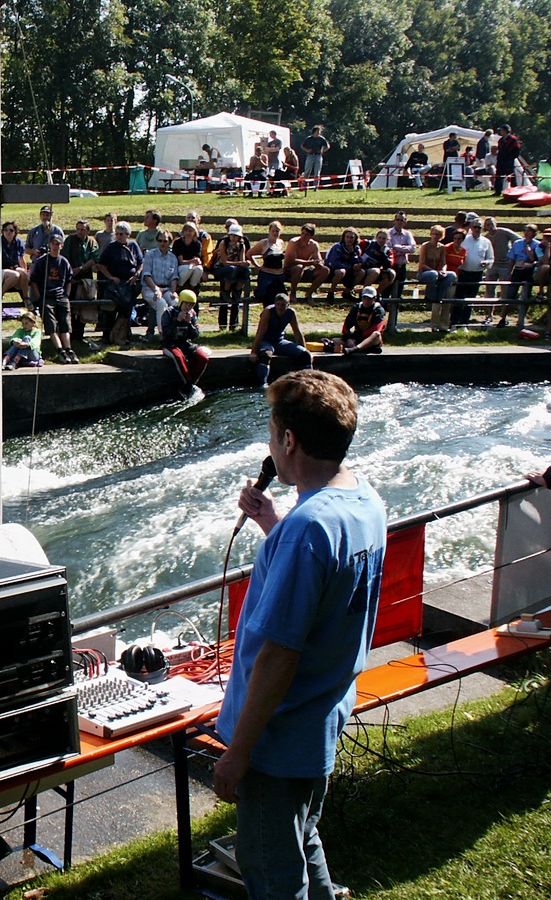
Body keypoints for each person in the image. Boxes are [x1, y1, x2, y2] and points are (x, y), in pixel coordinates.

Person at [213, 369, 385, 900]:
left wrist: (237, 752)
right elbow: (327, 584)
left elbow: (279, 655)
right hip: (322, 717)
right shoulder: (363, 500)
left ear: (288, 440)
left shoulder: (306, 529)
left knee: (268, 867)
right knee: (300, 834)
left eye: (271, 430)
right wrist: (273, 524)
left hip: (276, 737)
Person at [28, 234, 77, 363]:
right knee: (51, 324)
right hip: (46, 297)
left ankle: (69, 349)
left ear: (61, 246)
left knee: (65, 322)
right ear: (50, 245)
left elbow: (69, 280)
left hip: (60, 296)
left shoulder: (64, 262)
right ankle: (60, 350)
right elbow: (34, 281)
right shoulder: (42, 261)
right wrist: (39, 297)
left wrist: (66, 295)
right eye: (53, 243)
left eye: (58, 244)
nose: (55, 246)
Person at [250, 293, 311, 387]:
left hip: (279, 341)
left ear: (288, 305)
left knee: (305, 355)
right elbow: (260, 332)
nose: (280, 307)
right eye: (278, 304)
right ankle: (262, 385)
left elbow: (297, 332)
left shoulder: (291, 313)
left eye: (283, 305)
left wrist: (305, 350)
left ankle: (307, 381)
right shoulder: (268, 311)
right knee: (265, 356)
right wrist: (253, 351)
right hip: (266, 341)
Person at [96, 221, 142, 344]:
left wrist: (136, 275)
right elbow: (101, 264)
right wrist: (111, 277)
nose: (119, 236)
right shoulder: (111, 247)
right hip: (115, 283)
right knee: (110, 310)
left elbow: (140, 263)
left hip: (130, 282)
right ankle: (107, 336)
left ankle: (123, 335)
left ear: (127, 234)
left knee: (126, 310)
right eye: (117, 233)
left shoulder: (133, 246)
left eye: (121, 234)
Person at [160, 290, 208, 394]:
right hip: (170, 343)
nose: (187, 307)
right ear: (180, 302)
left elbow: (195, 335)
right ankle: (188, 383)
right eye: (186, 303)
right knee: (178, 357)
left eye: (190, 304)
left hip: (184, 343)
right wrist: (177, 321)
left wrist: (189, 323)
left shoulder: (192, 314)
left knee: (203, 357)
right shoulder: (169, 312)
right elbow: (166, 333)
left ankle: (192, 383)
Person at [141, 230, 179, 338]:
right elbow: (146, 275)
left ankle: (174, 332)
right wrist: (155, 289)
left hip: (166, 288)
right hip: (149, 288)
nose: (162, 243)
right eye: (160, 240)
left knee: (174, 302)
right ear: (157, 241)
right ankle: (163, 334)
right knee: (161, 303)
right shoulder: (150, 255)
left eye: (165, 241)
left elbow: (174, 277)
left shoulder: (173, 258)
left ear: (169, 242)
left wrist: (173, 291)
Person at [214, 224, 251, 330]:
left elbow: (242, 260)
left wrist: (244, 264)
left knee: (246, 270)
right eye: (232, 235)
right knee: (232, 270)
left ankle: (237, 290)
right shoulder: (223, 243)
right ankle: (226, 292)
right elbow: (225, 262)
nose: (234, 238)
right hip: (222, 268)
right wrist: (241, 263)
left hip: (235, 268)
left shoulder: (242, 245)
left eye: (236, 236)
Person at [285, 224, 330, 302]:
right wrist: (310, 263)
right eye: (302, 233)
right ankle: (293, 293)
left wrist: (318, 263)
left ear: (311, 236)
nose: (303, 236)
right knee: (298, 267)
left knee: (325, 270)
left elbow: (318, 259)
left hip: (305, 269)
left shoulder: (314, 245)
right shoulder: (293, 242)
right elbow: (291, 261)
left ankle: (309, 293)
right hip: (290, 270)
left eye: (306, 235)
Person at [250, 221, 287, 304]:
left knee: (281, 300)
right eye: (273, 231)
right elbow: (249, 254)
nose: (275, 233)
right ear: (269, 231)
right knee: (268, 300)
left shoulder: (281, 242)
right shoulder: (264, 243)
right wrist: (257, 265)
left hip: (279, 276)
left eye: (277, 231)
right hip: (267, 276)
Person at [341, 286, 386, 354]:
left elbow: (376, 328)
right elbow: (346, 326)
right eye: (364, 298)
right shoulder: (356, 308)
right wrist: (348, 339)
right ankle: (366, 349)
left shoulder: (379, 310)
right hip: (357, 336)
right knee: (335, 341)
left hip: (371, 338)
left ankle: (355, 349)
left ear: (375, 298)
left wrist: (360, 338)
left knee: (376, 334)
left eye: (369, 299)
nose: (366, 301)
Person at [325, 228, 364, 301]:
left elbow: (359, 261)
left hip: (348, 270)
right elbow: (335, 263)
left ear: (355, 238)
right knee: (341, 272)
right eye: (347, 237)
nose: (349, 239)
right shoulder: (337, 247)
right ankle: (331, 292)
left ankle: (347, 291)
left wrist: (353, 254)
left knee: (361, 272)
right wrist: (350, 267)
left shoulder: (356, 248)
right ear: (344, 237)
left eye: (352, 237)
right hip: (333, 269)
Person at [386, 212, 417, 300]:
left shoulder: (408, 234)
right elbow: (389, 251)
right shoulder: (388, 233)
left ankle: (395, 312)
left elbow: (413, 248)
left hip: (402, 267)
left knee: (398, 294)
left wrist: (396, 247)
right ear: (394, 221)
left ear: (405, 222)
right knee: (386, 292)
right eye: (397, 219)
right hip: (391, 266)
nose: (399, 222)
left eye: (402, 220)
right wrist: (403, 250)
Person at [360, 230, 397, 296]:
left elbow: (389, 264)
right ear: (376, 237)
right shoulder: (367, 244)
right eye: (379, 238)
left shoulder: (388, 251)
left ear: (387, 240)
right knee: (375, 271)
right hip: (362, 269)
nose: (381, 240)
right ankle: (364, 293)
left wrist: (383, 254)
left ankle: (377, 294)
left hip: (375, 272)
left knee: (392, 273)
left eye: (384, 238)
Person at [0, 221, 29, 303]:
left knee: (23, 272)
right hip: (1, 269)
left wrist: (25, 275)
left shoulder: (18, 242)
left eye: (11, 230)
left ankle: (26, 298)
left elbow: (21, 259)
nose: (8, 232)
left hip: (14, 268)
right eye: (6, 230)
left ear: (15, 232)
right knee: (15, 275)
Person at [493, 124, 522, 195]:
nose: (500, 132)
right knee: (499, 176)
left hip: (509, 161)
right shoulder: (500, 140)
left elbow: (516, 151)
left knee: (511, 176)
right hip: (501, 161)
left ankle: (514, 191)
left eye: (502, 130)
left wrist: (511, 159)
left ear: (506, 131)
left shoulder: (513, 140)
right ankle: (498, 191)